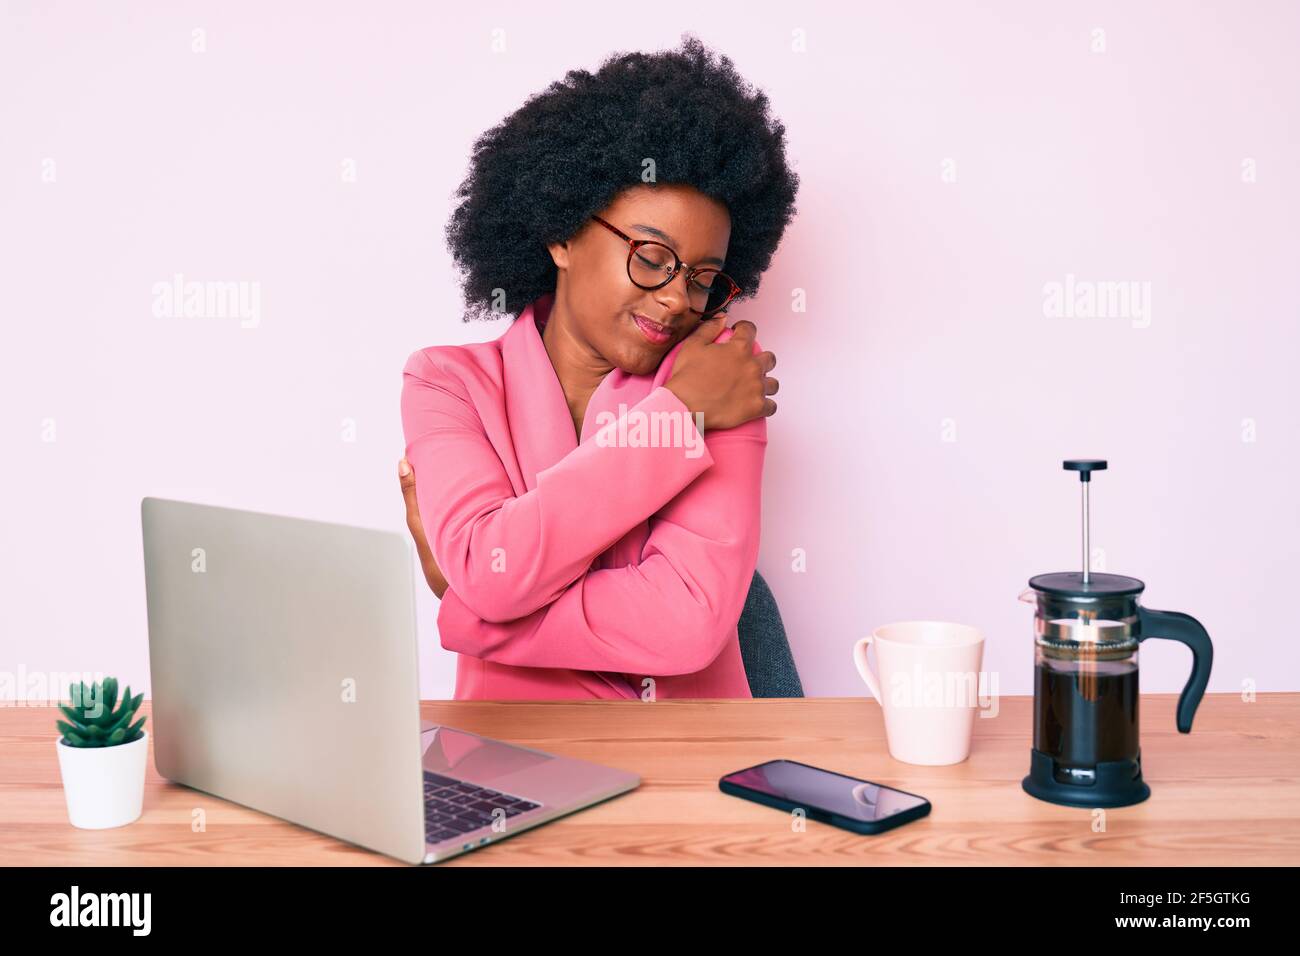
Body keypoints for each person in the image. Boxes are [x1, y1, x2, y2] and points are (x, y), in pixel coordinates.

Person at [398, 35, 798, 700]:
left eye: (704, 277)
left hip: (687, 773)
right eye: (651, 255)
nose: (677, 299)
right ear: (562, 230)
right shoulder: (445, 383)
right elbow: (493, 574)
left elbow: (686, 627)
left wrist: (470, 606)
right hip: (513, 768)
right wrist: (680, 417)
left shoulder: (723, 378)